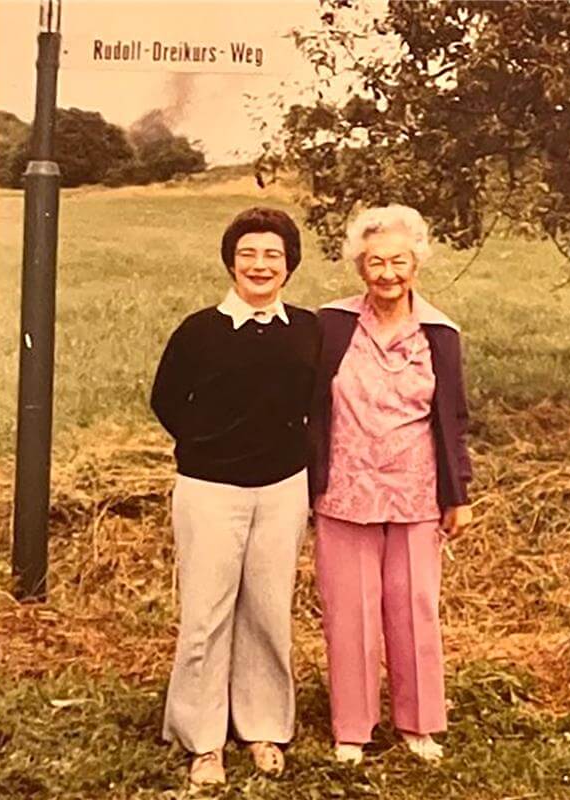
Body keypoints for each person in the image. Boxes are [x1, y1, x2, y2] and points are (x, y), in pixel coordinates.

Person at [151, 207, 319, 788]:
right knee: (206, 614)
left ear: (289, 265)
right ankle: (203, 741)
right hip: (209, 490)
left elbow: (316, 406)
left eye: (273, 254)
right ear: (231, 261)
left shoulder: (307, 329)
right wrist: (208, 446)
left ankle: (264, 728)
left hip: (282, 489)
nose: (260, 264)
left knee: (269, 611)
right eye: (248, 253)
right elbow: (166, 400)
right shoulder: (199, 331)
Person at [308, 204, 473, 765]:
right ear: (360, 267)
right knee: (348, 612)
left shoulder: (440, 333)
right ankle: (352, 729)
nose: (387, 274)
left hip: (416, 491)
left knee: (414, 607)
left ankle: (419, 724)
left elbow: (453, 418)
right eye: (375, 262)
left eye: (398, 261)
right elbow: (308, 406)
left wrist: (459, 494)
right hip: (344, 491)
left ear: (416, 263)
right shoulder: (330, 325)